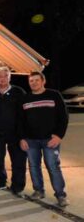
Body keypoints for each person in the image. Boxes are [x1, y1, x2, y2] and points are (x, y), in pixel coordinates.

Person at [19, 71, 69, 207]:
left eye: (36, 80)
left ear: (43, 81)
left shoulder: (54, 95)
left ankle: (61, 195)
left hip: (50, 140)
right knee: (34, 166)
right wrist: (22, 138)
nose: (33, 83)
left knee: (53, 167)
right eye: (31, 81)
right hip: (31, 140)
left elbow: (63, 117)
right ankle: (38, 191)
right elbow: (21, 121)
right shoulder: (25, 99)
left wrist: (59, 136)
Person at [0, 66, 27, 196]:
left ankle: (17, 186)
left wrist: (23, 135)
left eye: (5, 76)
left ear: (10, 77)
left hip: (15, 134)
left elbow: (24, 114)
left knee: (18, 161)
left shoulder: (19, 92)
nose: (2, 79)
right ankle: (0, 182)